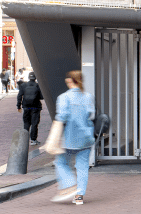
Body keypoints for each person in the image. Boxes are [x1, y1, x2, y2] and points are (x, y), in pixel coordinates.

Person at [45, 70, 95, 205]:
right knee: (82, 167)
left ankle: (70, 185)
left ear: (69, 81)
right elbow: (91, 115)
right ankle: (79, 196)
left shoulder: (64, 97)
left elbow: (62, 117)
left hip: (69, 138)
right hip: (86, 137)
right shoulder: (88, 97)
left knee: (61, 163)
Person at [17, 72, 44, 145]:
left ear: (29, 77)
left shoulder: (23, 85)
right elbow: (41, 97)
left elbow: (19, 96)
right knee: (34, 123)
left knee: (26, 123)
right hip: (36, 107)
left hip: (26, 107)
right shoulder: (38, 85)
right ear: (35, 78)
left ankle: (25, 140)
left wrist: (18, 106)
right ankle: (33, 140)